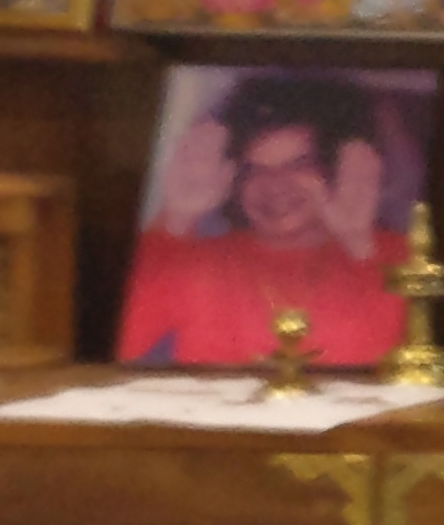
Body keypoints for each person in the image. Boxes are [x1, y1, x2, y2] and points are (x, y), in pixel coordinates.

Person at [116, 66, 408, 363]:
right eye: (254, 169)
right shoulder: (197, 260)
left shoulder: (402, 257)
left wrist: (359, 246)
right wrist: (176, 217)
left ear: (339, 167)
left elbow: (402, 362)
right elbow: (119, 346)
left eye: (299, 164)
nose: (275, 185)